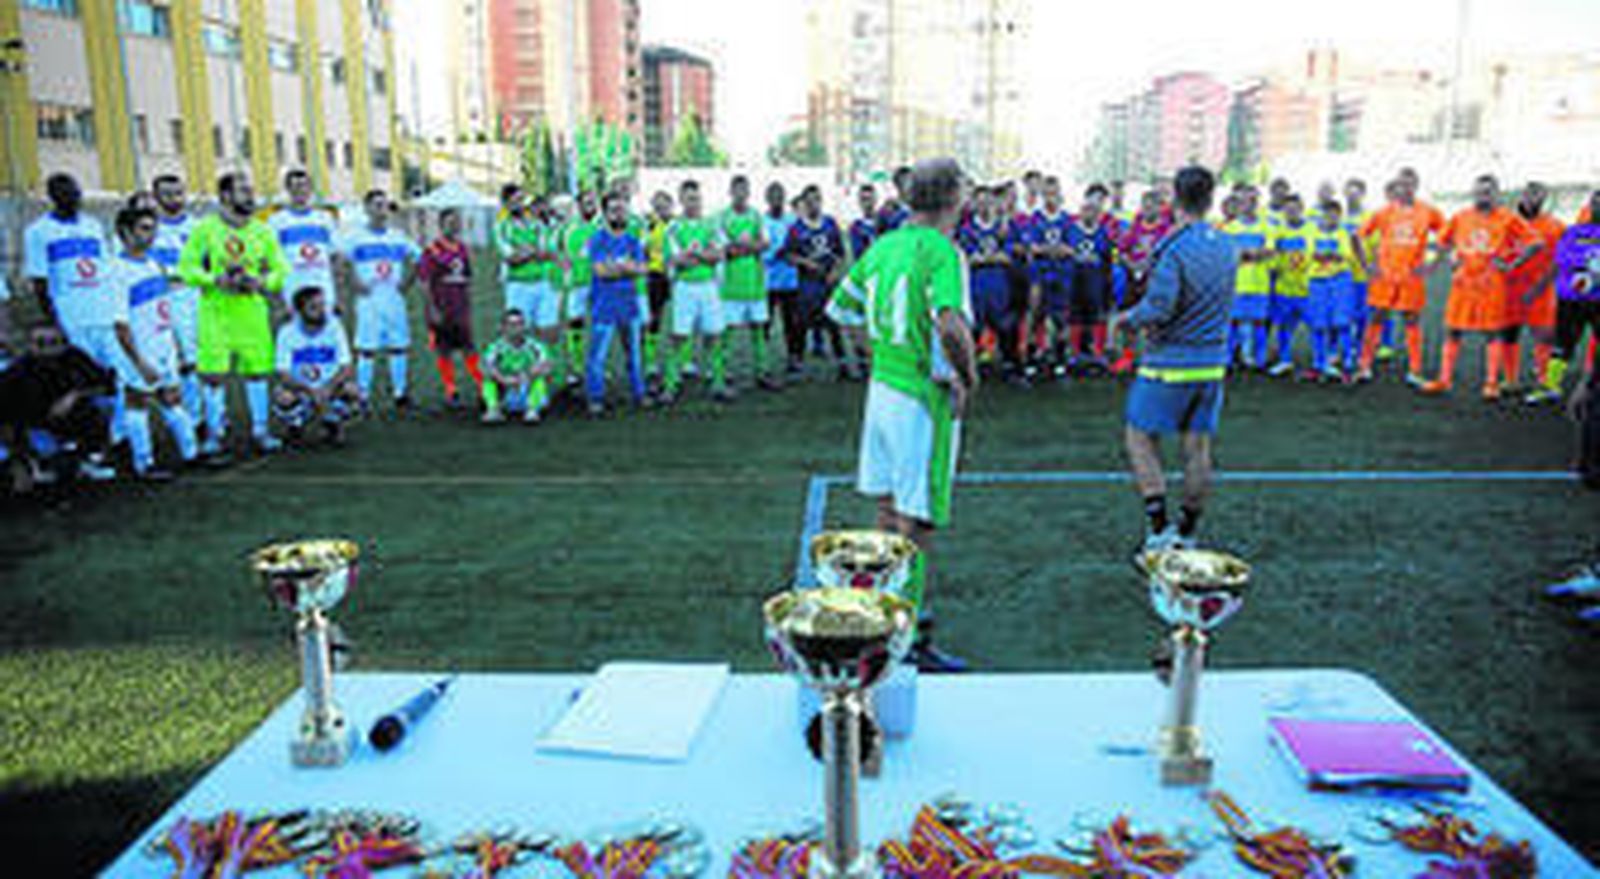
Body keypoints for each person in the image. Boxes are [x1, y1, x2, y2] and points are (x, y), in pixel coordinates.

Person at [826, 157, 978, 673]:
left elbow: (842, 307)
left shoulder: (883, 245)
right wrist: (967, 378)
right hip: (921, 399)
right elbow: (951, 324)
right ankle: (904, 637)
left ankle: (879, 617)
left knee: (890, 510)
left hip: (883, 391)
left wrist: (876, 354)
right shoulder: (943, 251)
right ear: (954, 198)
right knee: (920, 519)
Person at [1114, 165, 1237, 553]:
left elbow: (1160, 307)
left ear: (1174, 200)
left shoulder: (1174, 246)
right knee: (1197, 448)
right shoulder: (1224, 244)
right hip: (1213, 362)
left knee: (1138, 437)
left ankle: (1158, 529)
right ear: (1210, 198)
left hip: (1169, 364)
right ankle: (1187, 533)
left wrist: (1126, 321)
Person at [178, 171, 288, 458]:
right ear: (225, 196)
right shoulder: (206, 229)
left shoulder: (262, 230)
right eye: (243, 191)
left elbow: (280, 270)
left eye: (250, 190)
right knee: (213, 376)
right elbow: (186, 268)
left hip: (251, 311)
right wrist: (215, 280)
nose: (250, 196)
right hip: (215, 313)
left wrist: (261, 282)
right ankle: (215, 435)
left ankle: (260, 431)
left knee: (258, 374)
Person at [23, 173, 124, 469]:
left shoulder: (93, 225)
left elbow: (105, 270)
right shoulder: (38, 232)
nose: (74, 197)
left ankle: (118, 440)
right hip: (73, 318)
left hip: (103, 314)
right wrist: (54, 323)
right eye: (66, 193)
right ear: (53, 196)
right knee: (81, 382)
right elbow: (40, 283)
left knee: (116, 377)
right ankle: (87, 446)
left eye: (76, 192)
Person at [1421, 175, 1540, 399]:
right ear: (1472, 192)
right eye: (1478, 191)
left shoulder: (1508, 218)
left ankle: (1491, 383)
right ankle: (1444, 380)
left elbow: (1535, 243)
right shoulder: (1461, 216)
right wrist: (1451, 258)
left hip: (1491, 283)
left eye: (1487, 192)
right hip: (1463, 282)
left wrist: (1510, 264)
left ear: (1496, 194)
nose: (1482, 196)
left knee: (1493, 333)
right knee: (1452, 330)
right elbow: (1442, 241)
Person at [107, 206, 198, 480]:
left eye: (153, 228)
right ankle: (143, 463)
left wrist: (176, 347)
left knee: (172, 399)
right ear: (125, 232)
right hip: (140, 350)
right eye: (144, 229)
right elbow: (120, 325)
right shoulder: (116, 270)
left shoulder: (153, 265)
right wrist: (139, 361)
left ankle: (191, 455)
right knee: (137, 403)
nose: (151, 235)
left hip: (163, 345)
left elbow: (164, 309)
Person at [0, 324, 118, 487]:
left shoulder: (75, 357)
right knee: (55, 470)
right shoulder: (16, 372)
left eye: (54, 342)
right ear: (30, 345)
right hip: (36, 426)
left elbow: (106, 384)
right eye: (41, 343)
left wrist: (75, 395)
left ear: (63, 343)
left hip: (79, 418)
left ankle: (91, 457)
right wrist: (18, 455)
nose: (48, 349)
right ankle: (39, 465)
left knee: (106, 405)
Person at [336, 189, 421, 411]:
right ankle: (362, 395)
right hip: (368, 300)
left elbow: (419, 258)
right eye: (375, 205)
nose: (380, 210)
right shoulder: (355, 236)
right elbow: (341, 261)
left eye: (383, 205)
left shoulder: (397, 236)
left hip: (393, 298)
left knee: (398, 346)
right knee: (367, 349)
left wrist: (407, 282)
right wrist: (354, 282)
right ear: (366, 209)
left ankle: (400, 394)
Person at [1357, 175, 1446, 384]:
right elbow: (1358, 235)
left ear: (1416, 186)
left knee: (1412, 320)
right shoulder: (1384, 212)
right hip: (1385, 276)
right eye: (1401, 185)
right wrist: (1367, 264)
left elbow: (1447, 234)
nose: (1405, 189)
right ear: (1395, 188)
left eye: (1409, 184)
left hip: (1411, 278)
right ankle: (1364, 365)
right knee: (1377, 317)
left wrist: (1434, 262)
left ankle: (1414, 370)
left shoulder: (1428, 211)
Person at [584, 191, 650, 415]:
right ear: (605, 213)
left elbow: (642, 269)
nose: (619, 214)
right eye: (613, 210)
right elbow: (600, 271)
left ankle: (639, 393)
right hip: (604, 306)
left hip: (629, 305)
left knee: (634, 354)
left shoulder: (633, 240)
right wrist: (626, 268)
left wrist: (618, 267)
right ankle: (595, 397)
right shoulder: (598, 239)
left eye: (622, 209)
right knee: (598, 356)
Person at [661, 180, 727, 403]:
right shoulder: (674, 227)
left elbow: (718, 255)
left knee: (714, 334)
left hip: (708, 287)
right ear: (681, 200)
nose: (694, 203)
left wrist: (695, 255)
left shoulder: (711, 224)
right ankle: (671, 384)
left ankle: (718, 382)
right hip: (684, 288)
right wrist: (702, 255)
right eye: (689, 198)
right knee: (679, 335)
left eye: (697, 198)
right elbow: (675, 260)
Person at [1532, 192, 1600, 404]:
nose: (1598, 207)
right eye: (1595, 203)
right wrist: (1590, 263)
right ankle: (1551, 387)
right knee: (1562, 344)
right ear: (1589, 206)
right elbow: (1563, 257)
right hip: (1571, 299)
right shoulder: (1574, 231)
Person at [273, 286, 359, 445]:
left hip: (330, 390)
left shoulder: (335, 327)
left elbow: (346, 366)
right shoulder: (287, 332)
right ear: (300, 310)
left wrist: (328, 388)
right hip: (302, 390)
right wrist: (309, 390)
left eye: (322, 305)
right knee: (282, 397)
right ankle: (295, 426)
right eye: (313, 307)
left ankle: (332, 423)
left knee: (352, 391)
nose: (321, 311)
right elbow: (282, 372)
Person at [1504, 183, 1566, 403]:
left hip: (1541, 290)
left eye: (1538, 195)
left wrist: (1539, 287)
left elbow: (1560, 261)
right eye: (1529, 194)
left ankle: (1543, 381)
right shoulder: (1507, 221)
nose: (1533, 199)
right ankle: (1510, 380)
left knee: (1544, 335)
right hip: (1510, 289)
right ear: (1522, 195)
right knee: (1509, 333)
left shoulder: (1555, 226)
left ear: (1544, 199)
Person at [783, 185, 853, 380]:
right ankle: (797, 364)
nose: (814, 204)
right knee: (802, 323)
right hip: (807, 284)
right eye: (810, 201)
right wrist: (806, 263)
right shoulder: (796, 228)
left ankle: (843, 364)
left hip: (828, 282)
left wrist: (836, 271)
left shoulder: (830, 224)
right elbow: (788, 255)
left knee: (834, 322)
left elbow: (841, 252)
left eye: (817, 199)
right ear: (804, 203)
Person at [150, 173, 203, 424]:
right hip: (157, 303)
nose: (174, 199)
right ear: (156, 197)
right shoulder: (149, 228)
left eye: (178, 193)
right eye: (167, 194)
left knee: (194, 362)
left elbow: (208, 264)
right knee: (169, 363)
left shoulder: (197, 227)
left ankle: (199, 419)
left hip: (192, 299)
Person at [958, 186, 1023, 383]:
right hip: (976, 286)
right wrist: (991, 258)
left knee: (1005, 326)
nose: (984, 205)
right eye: (980, 201)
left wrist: (985, 258)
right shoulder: (967, 229)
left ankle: (1011, 368)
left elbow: (1008, 256)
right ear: (974, 204)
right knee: (973, 328)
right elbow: (967, 258)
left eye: (988, 201)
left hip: (1000, 285)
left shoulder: (1003, 228)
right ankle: (966, 370)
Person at [418, 208, 482, 409]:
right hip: (442, 305)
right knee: (444, 350)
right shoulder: (433, 249)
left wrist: (468, 303)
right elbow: (425, 282)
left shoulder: (462, 248)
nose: (453, 226)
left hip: (460, 306)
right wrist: (432, 308)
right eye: (449, 222)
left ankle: (482, 385)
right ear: (440, 224)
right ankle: (451, 390)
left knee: (469, 347)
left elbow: (468, 277)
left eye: (456, 222)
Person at [718, 175, 775, 390]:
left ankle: (763, 372)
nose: (741, 195)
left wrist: (742, 246)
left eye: (745, 190)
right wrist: (749, 246)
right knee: (728, 333)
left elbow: (765, 244)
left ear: (749, 193)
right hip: (731, 286)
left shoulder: (756, 216)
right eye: (737, 190)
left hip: (755, 286)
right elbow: (725, 250)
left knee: (758, 331)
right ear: (730, 192)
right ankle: (724, 372)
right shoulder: (722, 218)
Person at [1116, 190, 1174, 374]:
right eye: (1145, 205)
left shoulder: (1166, 229)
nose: (1148, 209)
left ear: (1160, 207)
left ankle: (1153, 356)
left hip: (1155, 278)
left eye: (1153, 205)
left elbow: (1169, 253)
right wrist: (1131, 264)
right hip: (1133, 278)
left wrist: (1150, 263)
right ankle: (1127, 356)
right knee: (1130, 318)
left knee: (1154, 319)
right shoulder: (1134, 227)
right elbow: (1122, 251)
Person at [267, 169, 339, 317]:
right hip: (293, 289)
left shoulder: (325, 219)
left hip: (323, 290)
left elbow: (335, 257)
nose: (300, 190)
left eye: (304, 185)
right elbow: (270, 260)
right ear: (288, 189)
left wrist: (337, 292)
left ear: (310, 188)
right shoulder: (276, 221)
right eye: (295, 186)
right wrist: (277, 298)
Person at [1025, 176, 1075, 377]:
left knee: (1061, 318)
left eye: (1054, 194)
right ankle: (1031, 358)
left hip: (1061, 275)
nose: (1050, 198)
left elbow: (1070, 249)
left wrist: (1047, 250)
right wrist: (1053, 250)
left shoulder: (1067, 220)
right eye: (1047, 194)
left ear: (1060, 195)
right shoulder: (1035, 218)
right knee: (1035, 314)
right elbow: (1032, 248)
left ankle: (1060, 359)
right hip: (1040, 274)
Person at [1067, 184, 1117, 372]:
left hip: (1096, 281)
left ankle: (1096, 354)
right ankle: (1074, 354)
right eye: (1087, 209)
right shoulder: (1071, 229)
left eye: (1094, 210)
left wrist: (1108, 282)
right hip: (1075, 280)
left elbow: (1107, 259)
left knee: (1095, 317)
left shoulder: (1103, 232)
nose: (1090, 213)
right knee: (1075, 317)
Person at [1306, 200, 1357, 381]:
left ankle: (1348, 365)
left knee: (1342, 323)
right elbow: (1311, 253)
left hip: (1339, 281)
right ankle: (1319, 364)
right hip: (1317, 282)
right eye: (1327, 215)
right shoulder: (1311, 231)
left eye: (1335, 215)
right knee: (1318, 325)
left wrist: (1326, 256)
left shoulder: (1344, 233)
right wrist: (1329, 256)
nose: (1330, 219)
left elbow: (1345, 255)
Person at [1266, 194, 1313, 377]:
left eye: (1295, 208)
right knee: (1284, 326)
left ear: (1302, 208)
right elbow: (1272, 255)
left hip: (1307, 287)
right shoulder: (1277, 231)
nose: (1291, 212)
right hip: (1284, 287)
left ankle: (1319, 361)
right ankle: (1285, 360)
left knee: (1315, 326)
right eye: (1288, 209)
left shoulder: (1312, 229)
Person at [481, 309, 553, 424]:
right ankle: (493, 410)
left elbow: (547, 365)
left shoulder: (534, 346)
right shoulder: (496, 347)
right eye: (512, 324)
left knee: (541, 378)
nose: (516, 328)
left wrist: (526, 377)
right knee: (488, 379)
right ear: (504, 327)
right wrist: (503, 380)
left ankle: (532, 411)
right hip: (506, 392)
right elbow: (487, 367)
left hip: (527, 391)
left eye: (520, 324)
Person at [561, 189, 603, 387]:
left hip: (599, 283)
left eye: (593, 203)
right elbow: (559, 251)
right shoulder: (569, 227)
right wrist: (565, 268)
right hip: (576, 284)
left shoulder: (603, 226)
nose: (590, 206)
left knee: (599, 325)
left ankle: (596, 365)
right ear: (578, 206)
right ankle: (576, 368)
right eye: (586, 203)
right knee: (575, 323)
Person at [762, 182, 801, 378]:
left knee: (792, 323)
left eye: (780, 196)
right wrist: (775, 253)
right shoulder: (760, 222)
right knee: (765, 324)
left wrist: (791, 252)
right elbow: (759, 250)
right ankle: (763, 362)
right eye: (773, 196)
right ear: (766, 199)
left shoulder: (792, 220)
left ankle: (793, 359)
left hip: (790, 281)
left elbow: (799, 246)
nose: (777, 200)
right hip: (768, 282)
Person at [644, 190, 675, 381]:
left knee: (678, 319)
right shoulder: (648, 226)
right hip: (655, 275)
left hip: (677, 275)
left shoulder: (678, 225)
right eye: (656, 205)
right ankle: (650, 362)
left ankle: (685, 361)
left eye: (664, 205)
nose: (660, 209)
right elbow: (643, 249)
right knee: (654, 318)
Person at [876, 166, 913, 234]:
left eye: (910, 180)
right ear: (896, 184)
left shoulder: (922, 207)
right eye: (904, 180)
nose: (908, 184)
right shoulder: (886, 209)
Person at [848, 182, 879, 264]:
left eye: (869, 199)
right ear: (859, 202)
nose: (867, 203)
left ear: (875, 200)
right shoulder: (856, 227)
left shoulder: (886, 221)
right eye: (863, 199)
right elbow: (858, 255)